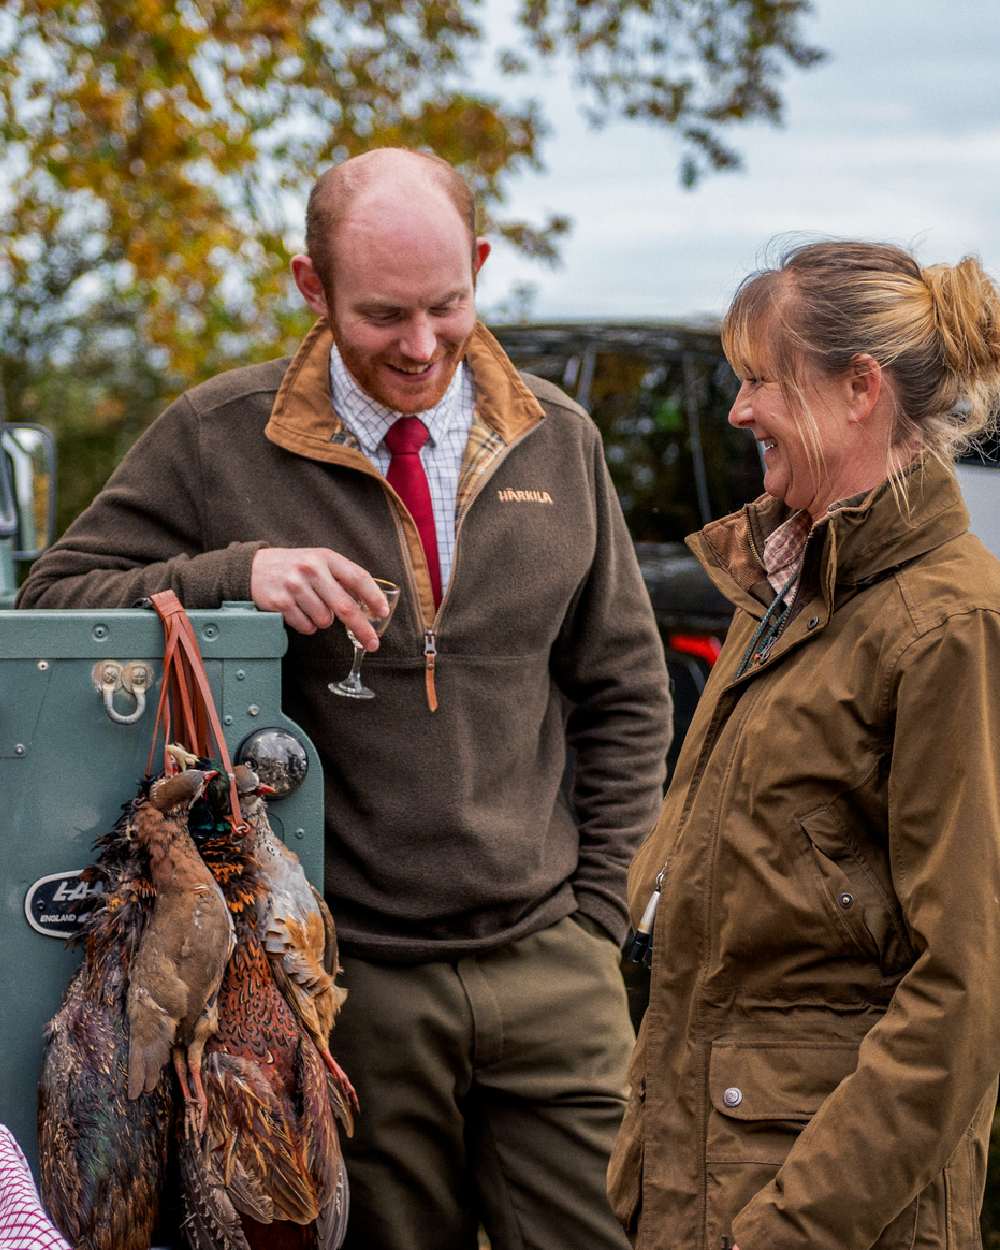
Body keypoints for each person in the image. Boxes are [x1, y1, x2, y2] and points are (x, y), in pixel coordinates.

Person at [18, 147, 672, 1250]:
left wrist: (598, 919)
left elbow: (626, 692)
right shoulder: (214, 433)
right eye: (382, 315)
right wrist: (238, 572)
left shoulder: (560, 437)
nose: (421, 346)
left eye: (446, 306)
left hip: (553, 962)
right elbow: (52, 598)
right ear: (310, 287)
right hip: (346, 988)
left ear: (477, 264)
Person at [608, 238, 1000, 1250]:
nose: (738, 410)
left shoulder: (950, 625)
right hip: (700, 1189)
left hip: (821, 1215)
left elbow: (966, 991)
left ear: (858, 388)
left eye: (759, 381)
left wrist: (788, 1227)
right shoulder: (784, 587)